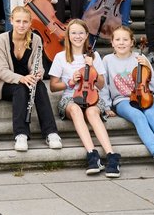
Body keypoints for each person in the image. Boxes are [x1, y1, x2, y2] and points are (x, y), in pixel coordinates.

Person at [102, 26, 154, 173]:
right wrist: (107, 106)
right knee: (138, 115)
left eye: (125, 39)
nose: (121, 43)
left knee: (152, 115)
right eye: (118, 39)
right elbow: (104, 86)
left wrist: (146, 65)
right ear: (112, 43)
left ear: (132, 42)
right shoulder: (108, 60)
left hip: (146, 96)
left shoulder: (140, 58)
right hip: (122, 100)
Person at [48, 19, 118, 177]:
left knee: (92, 113)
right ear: (68, 36)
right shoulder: (60, 57)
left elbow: (100, 85)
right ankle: (92, 154)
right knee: (75, 109)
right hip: (70, 98)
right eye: (73, 33)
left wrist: (92, 66)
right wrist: (70, 82)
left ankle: (111, 155)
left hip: (92, 96)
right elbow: (53, 86)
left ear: (87, 35)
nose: (77, 36)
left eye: (81, 33)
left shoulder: (94, 56)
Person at [0, 6, 61, 151]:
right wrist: (21, 79)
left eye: (25, 22)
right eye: (18, 21)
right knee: (20, 88)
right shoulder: (1, 40)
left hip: (29, 82)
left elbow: (39, 65)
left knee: (41, 86)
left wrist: (38, 74)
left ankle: (51, 133)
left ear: (30, 23)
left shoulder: (36, 39)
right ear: (11, 21)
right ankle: (21, 134)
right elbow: (1, 70)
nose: (21, 25)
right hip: (6, 84)